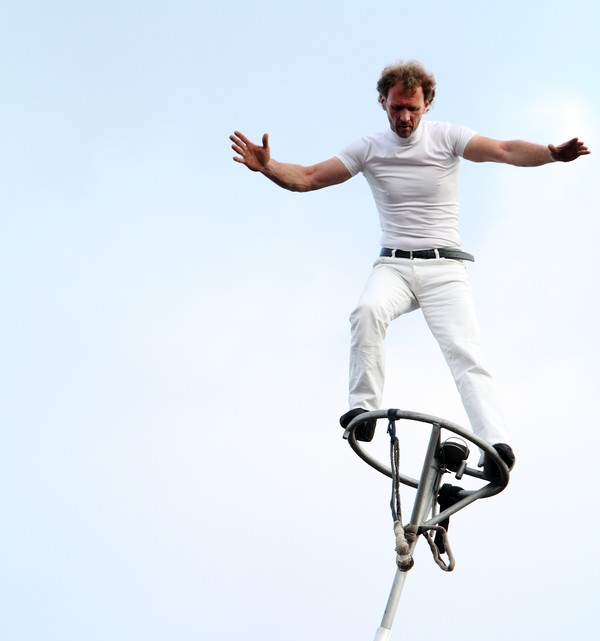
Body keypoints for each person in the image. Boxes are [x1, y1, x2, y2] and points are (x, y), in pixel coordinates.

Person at [230, 60, 589, 478]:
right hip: (394, 266)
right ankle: (363, 412)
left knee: (465, 352)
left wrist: (551, 155)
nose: (404, 117)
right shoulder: (368, 148)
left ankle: (495, 444)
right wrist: (268, 167)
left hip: (445, 269)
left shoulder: (448, 137)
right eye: (397, 108)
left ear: (428, 104)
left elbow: (505, 151)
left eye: (412, 109)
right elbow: (308, 177)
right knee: (366, 312)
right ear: (382, 102)